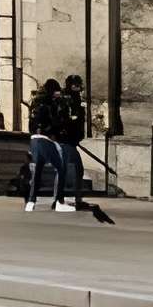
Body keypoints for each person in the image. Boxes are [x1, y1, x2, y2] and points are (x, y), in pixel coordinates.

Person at [25, 79, 76, 213]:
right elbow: (54, 123)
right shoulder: (50, 104)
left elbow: (32, 123)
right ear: (53, 91)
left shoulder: (35, 102)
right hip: (45, 140)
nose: (58, 94)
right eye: (57, 91)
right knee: (60, 168)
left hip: (34, 140)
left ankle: (31, 201)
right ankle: (59, 201)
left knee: (37, 171)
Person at [60, 74, 87, 210]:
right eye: (76, 85)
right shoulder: (67, 100)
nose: (79, 88)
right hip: (66, 141)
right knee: (76, 169)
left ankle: (71, 197)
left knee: (72, 169)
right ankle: (73, 198)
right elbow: (69, 120)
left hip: (70, 140)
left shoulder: (76, 99)